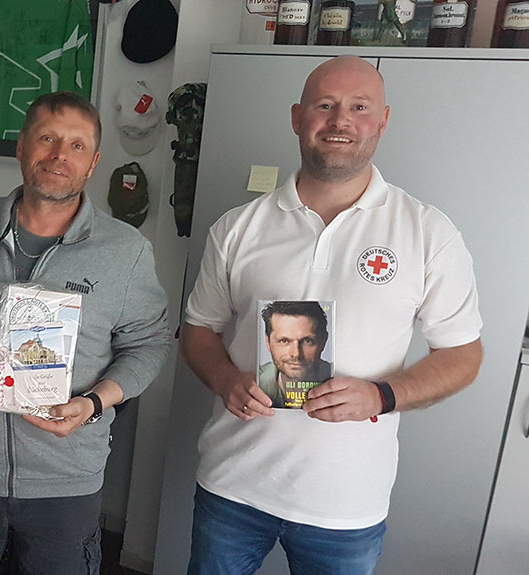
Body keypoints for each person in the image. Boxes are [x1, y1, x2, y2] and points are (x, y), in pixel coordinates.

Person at [180, 55, 483, 574]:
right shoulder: (237, 227)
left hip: (346, 505)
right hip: (232, 487)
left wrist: (382, 395)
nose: (340, 120)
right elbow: (198, 329)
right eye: (325, 105)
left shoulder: (427, 232)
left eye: (359, 107)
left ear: (382, 121)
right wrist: (226, 379)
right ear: (297, 117)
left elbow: (463, 354)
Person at [0, 91, 171, 574]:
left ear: (93, 163)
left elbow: (148, 343)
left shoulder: (125, 251)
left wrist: (95, 402)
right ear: (21, 147)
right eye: (48, 138)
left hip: (65, 476)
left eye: (77, 146)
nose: (60, 155)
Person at [257, 300, 333, 408]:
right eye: (284, 341)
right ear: (267, 342)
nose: (296, 354)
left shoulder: (338, 375)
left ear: (323, 341)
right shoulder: (256, 380)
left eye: (307, 341)